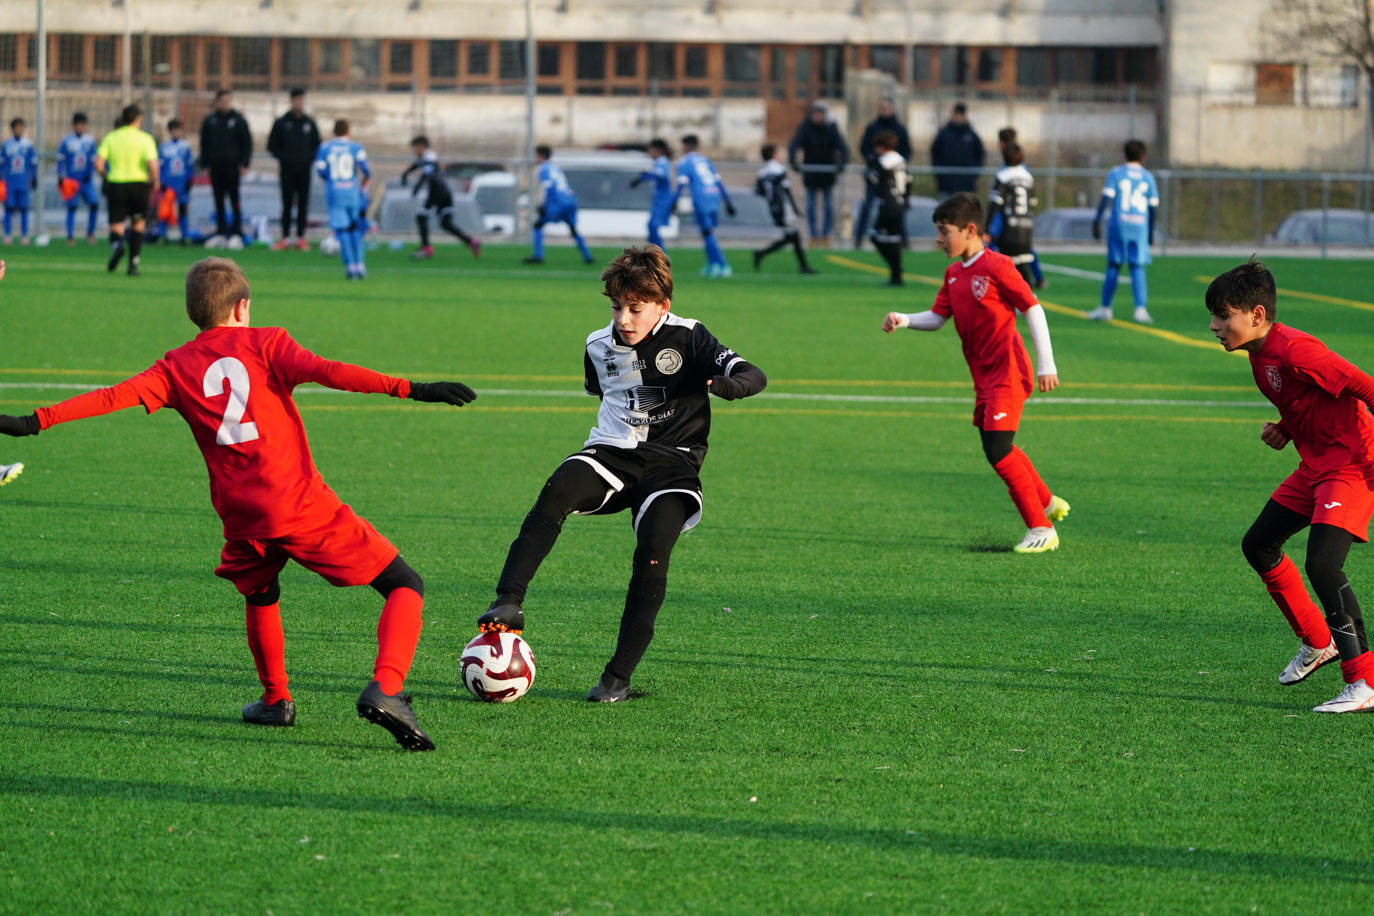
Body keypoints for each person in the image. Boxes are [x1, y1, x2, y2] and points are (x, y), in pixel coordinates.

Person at [0, 257, 479, 747]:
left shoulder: (174, 366)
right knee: (404, 583)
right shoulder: (268, 343)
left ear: (195, 314)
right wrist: (415, 389)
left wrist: (32, 421)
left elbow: (110, 396)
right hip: (296, 503)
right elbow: (330, 371)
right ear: (242, 307)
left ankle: (276, 701)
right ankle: (387, 688)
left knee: (260, 591)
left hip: (242, 515)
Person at [478, 245, 767, 701]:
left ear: (662, 306)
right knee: (558, 488)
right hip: (612, 453)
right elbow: (604, 391)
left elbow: (753, 373)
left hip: (673, 462)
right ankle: (508, 601)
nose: (624, 319)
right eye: (617, 307)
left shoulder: (690, 337)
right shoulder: (597, 346)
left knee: (653, 548)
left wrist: (729, 386)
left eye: (636, 309)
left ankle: (617, 678)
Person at [1206, 260, 1374, 712]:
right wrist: (1286, 426)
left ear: (1256, 315)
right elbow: (1309, 398)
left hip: (1351, 465)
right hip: (1315, 465)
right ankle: (1319, 642)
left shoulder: (1298, 349)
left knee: (1323, 565)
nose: (1214, 326)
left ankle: (1365, 682)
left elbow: (1364, 386)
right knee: (1258, 544)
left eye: (1223, 316)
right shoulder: (1260, 356)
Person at [881, 192, 1067, 554]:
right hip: (983, 377)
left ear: (970, 230)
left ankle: (1041, 528)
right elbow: (937, 318)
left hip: (1008, 372)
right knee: (1000, 446)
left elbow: (1033, 308)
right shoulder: (953, 273)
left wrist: (1047, 365)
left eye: (943, 231)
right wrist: (903, 320)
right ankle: (1046, 502)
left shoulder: (997, 265)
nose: (938, 240)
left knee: (998, 450)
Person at [1089, 139, 1158, 325]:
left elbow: (1106, 198)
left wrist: (1097, 220)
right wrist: (1151, 229)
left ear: (1124, 155)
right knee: (1137, 266)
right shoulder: (1148, 177)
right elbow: (1153, 207)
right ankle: (1140, 309)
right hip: (1140, 226)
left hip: (1119, 225)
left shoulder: (1116, 173)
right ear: (1143, 157)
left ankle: (1105, 308)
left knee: (1114, 265)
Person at [95, 104, 159, 278]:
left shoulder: (112, 137)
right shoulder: (145, 138)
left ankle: (117, 247)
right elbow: (153, 165)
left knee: (116, 225)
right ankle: (133, 264)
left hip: (116, 184)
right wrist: (155, 182)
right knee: (138, 224)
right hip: (139, 185)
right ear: (138, 119)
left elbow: (98, 163)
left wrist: (105, 176)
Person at [400, 135, 481, 261]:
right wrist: (406, 173)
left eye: (416, 148)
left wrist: (416, 186)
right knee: (446, 223)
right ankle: (471, 241)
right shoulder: (424, 158)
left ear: (422, 147)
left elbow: (426, 173)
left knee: (421, 216)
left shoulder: (430, 156)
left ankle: (426, 248)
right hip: (444, 193)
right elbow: (418, 165)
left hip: (437, 193)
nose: (415, 151)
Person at [787, 101, 849, 248]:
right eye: (815, 114)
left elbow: (842, 147)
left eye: (820, 114)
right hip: (811, 174)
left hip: (827, 175)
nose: (818, 117)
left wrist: (842, 163)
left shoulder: (831, 128)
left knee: (828, 206)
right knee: (810, 206)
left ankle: (825, 235)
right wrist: (793, 161)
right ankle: (814, 235)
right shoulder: (805, 128)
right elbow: (794, 144)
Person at [314, 119, 371, 280]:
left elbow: (320, 170)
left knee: (342, 230)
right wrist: (362, 186)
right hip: (353, 192)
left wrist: (332, 181)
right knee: (356, 228)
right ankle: (360, 264)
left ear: (334, 131)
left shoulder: (325, 147)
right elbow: (366, 170)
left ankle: (351, 266)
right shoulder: (356, 147)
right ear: (349, 131)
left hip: (335, 192)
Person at [266, 88, 321, 251]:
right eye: (296, 100)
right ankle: (284, 238)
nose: (299, 103)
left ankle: (301, 238)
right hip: (287, 171)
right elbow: (272, 146)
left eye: (302, 100)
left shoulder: (309, 123)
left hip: (304, 170)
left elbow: (317, 146)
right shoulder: (282, 122)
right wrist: (285, 158)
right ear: (291, 101)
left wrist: (307, 159)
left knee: (303, 204)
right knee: (287, 204)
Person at [198, 89, 253, 247]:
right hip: (216, 168)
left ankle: (236, 233)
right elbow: (204, 144)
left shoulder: (238, 120)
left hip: (233, 167)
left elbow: (246, 143)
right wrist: (205, 164)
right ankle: (221, 233)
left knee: (235, 201)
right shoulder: (210, 121)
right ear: (217, 102)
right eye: (222, 100)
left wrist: (245, 163)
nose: (225, 103)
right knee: (218, 201)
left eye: (227, 100)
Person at [854, 98, 911, 249]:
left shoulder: (899, 129)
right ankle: (859, 239)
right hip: (877, 179)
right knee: (868, 206)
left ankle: (903, 241)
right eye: (882, 108)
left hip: (893, 182)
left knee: (897, 209)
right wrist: (872, 163)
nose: (884, 111)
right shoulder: (872, 127)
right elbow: (864, 148)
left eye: (887, 108)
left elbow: (907, 151)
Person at [675, 134, 735, 277]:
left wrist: (674, 201)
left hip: (701, 198)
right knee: (707, 233)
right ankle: (711, 263)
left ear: (684, 146)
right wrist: (728, 202)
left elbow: (681, 184)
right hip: (714, 197)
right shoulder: (706, 160)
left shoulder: (684, 162)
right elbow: (718, 181)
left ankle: (722, 265)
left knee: (707, 234)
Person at [751, 142, 813, 275]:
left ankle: (803, 266)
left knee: (793, 236)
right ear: (774, 155)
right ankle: (761, 253)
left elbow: (758, 190)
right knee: (792, 236)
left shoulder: (762, 172)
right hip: (784, 208)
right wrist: (794, 208)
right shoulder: (779, 169)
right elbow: (786, 190)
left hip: (773, 207)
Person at [526, 145, 593, 266]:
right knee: (573, 229)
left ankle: (538, 256)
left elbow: (549, 187)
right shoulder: (555, 167)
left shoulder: (543, 169)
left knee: (538, 225)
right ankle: (587, 256)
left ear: (541, 155)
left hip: (558, 201)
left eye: (536, 155)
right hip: (571, 199)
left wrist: (543, 205)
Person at [995, 127, 1044, 288]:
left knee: (1005, 248)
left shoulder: (1006, 169)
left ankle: (1018, 287)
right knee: (1024, 249)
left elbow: (997, 198)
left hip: (1009, 215)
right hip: (1023, 216)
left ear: (1001, 143)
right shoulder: (1023, 168)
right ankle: (1038, 278)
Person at [986, 142, 1038, 288]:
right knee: (1021, 264)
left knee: (1007, 265)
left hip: (1010, 228)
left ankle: (1025, 300)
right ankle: (1027, 298)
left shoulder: (1003, 176)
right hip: (1026, 227)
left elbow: (994, 203)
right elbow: (1033, 202)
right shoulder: (1028, 177)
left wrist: (986, 229)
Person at [867, 131, 908, 287]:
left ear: (881, 147)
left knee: (875, 236)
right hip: (900, 203)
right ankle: (896, 274)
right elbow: (909, 181)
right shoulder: (901, 160)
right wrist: (906, 200)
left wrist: (871, 164)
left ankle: (895, 270)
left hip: (888, 204)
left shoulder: (882, 162)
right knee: (894, 239)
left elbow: (872, 178)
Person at [57, 113, 100, 246]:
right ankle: (70, 236)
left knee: (94, 204)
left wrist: (90, 172)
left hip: (86, 181)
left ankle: (90, 234)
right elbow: (61, 160)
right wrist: (60, 176)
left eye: (83, 125)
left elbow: (94, 159)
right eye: (78, 125)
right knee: (72, 207)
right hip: (71, 181)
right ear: (74, 126)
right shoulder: (67, 141)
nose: (81, 127)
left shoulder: (90, 140)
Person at [930, 102, 985, 198]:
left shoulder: (971, 134)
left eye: (960, 115)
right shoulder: (944, 134)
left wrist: (973, 174)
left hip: (966, 185)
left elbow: (979, 154)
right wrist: (939, 174)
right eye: (956, 114)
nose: (958, 117)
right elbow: (935, 153)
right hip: (946, 184)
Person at [630, 138, 675, 250]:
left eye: (650, 150)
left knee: (653, 226)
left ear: (656, 150)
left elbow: (659, 175)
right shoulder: (660, 162)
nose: (649, 152)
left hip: (663, 200)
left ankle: (661, 257)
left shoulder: (662, 161)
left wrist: (642, 178)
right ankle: (652, 254)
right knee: (651, 227)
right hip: (660, 200)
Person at [156, 119, 196, 244]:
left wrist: (190, 180)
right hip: (168, 183)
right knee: (165, 209)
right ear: (170, 131)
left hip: (182, 182)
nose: (176, 132)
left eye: (178, 130)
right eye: (173, 130)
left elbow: (190, 165)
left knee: (183, 209)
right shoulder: (164, 147)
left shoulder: (186, 146)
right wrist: (161, 181)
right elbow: (160, 165)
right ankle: (162, 235)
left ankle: (185, 236)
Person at [2, 118, 37, 245]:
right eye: (17, 127)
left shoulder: (28, 144)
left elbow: (33, 163)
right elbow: (2, 164)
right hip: (10, 182)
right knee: (9, 208)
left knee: (24, 208)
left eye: (21, 127)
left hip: (23, 181)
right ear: (12, 129)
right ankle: (7, 234)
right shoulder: (6, 145)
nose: (19, 129)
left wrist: (34, 178)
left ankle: (24, 235)